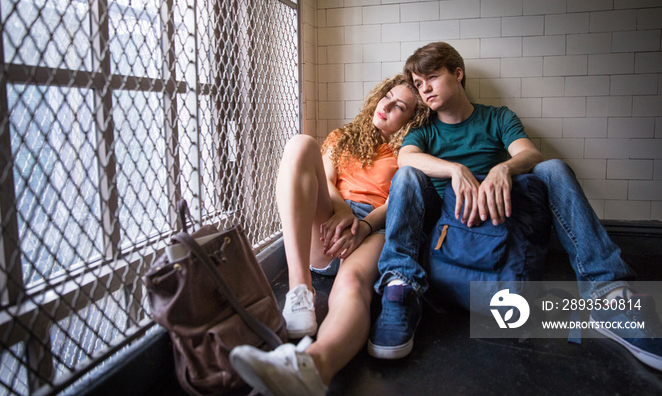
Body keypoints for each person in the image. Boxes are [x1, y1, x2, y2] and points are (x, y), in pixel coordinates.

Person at [367, 42, 662, 372]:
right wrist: (455, 170)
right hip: (447, 224)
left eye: (432, 78)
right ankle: (400, 287)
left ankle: (608, 295)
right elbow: (406, 158)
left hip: (496, 219)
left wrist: (503, 168)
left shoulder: (497, 117)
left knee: (553, 168)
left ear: (457, 74)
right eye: (419, 85)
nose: (425, 89)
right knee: (407, 175)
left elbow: (530, 153)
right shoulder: (424, 130)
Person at [229, 75, 431, 395]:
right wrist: (343, 212)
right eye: (387, 97)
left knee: (351, 286)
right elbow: (327, 179)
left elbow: (399, 203)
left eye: (399, 107)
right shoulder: (343, 137)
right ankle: (300, 294)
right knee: (300, 143)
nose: (387, 106)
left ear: (412, 119)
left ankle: (313, 367)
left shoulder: (409, 150)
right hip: (333, 220)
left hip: (375, 227)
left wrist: (362, 225)